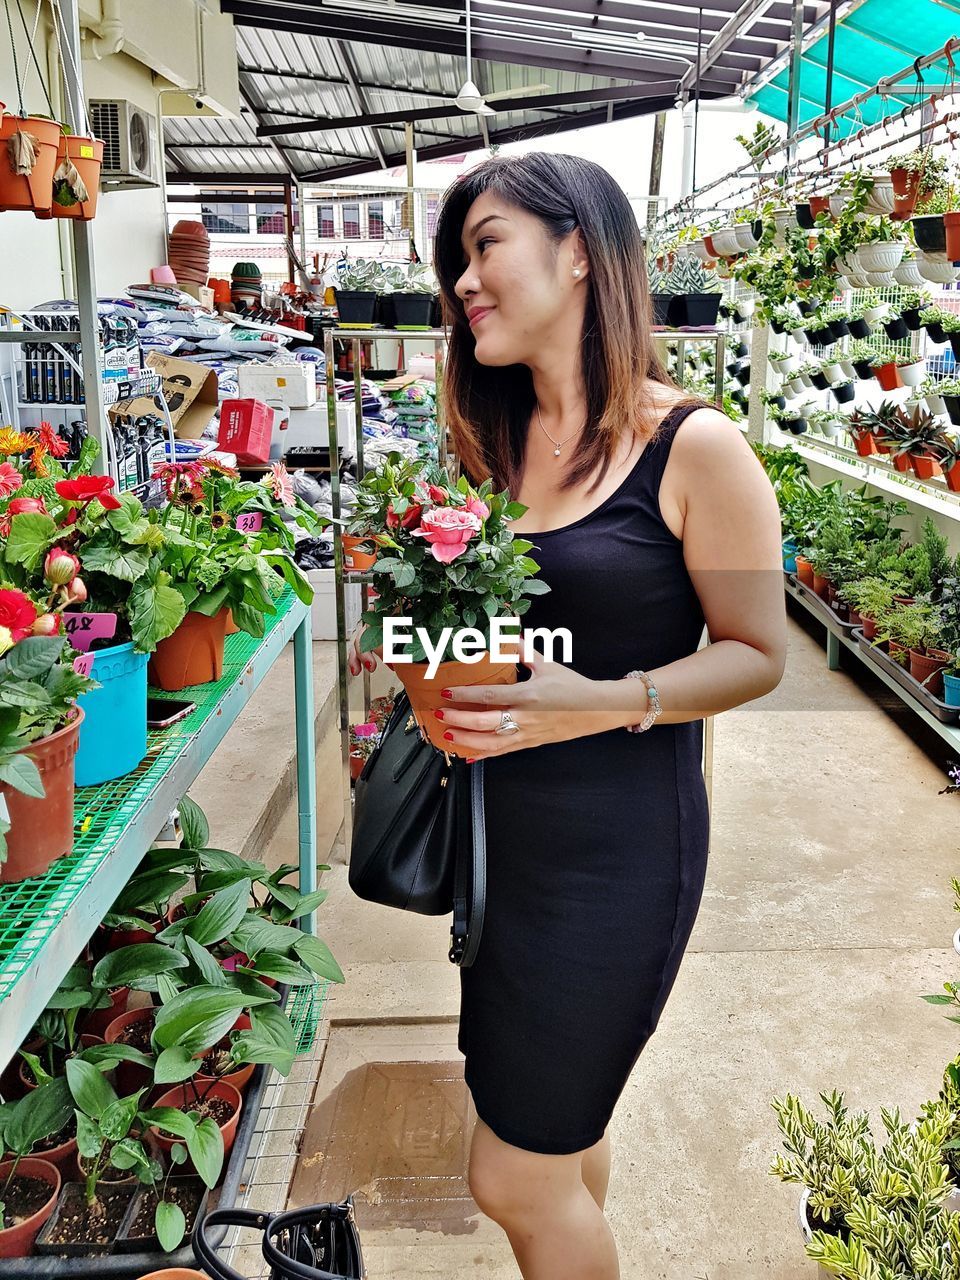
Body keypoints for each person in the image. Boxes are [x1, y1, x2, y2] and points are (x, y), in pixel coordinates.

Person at [349, 152, 787, 1280]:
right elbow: (451, 642)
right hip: (499, 850)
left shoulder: (694, 446)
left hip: (616, 858)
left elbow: (757, 655)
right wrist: (415, 671)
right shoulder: (488, 449)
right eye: (459, 258)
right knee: (561, 1139)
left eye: (486, 244)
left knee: (513, 1172)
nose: (462, 281)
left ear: (580, 251)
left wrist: (603, 702)